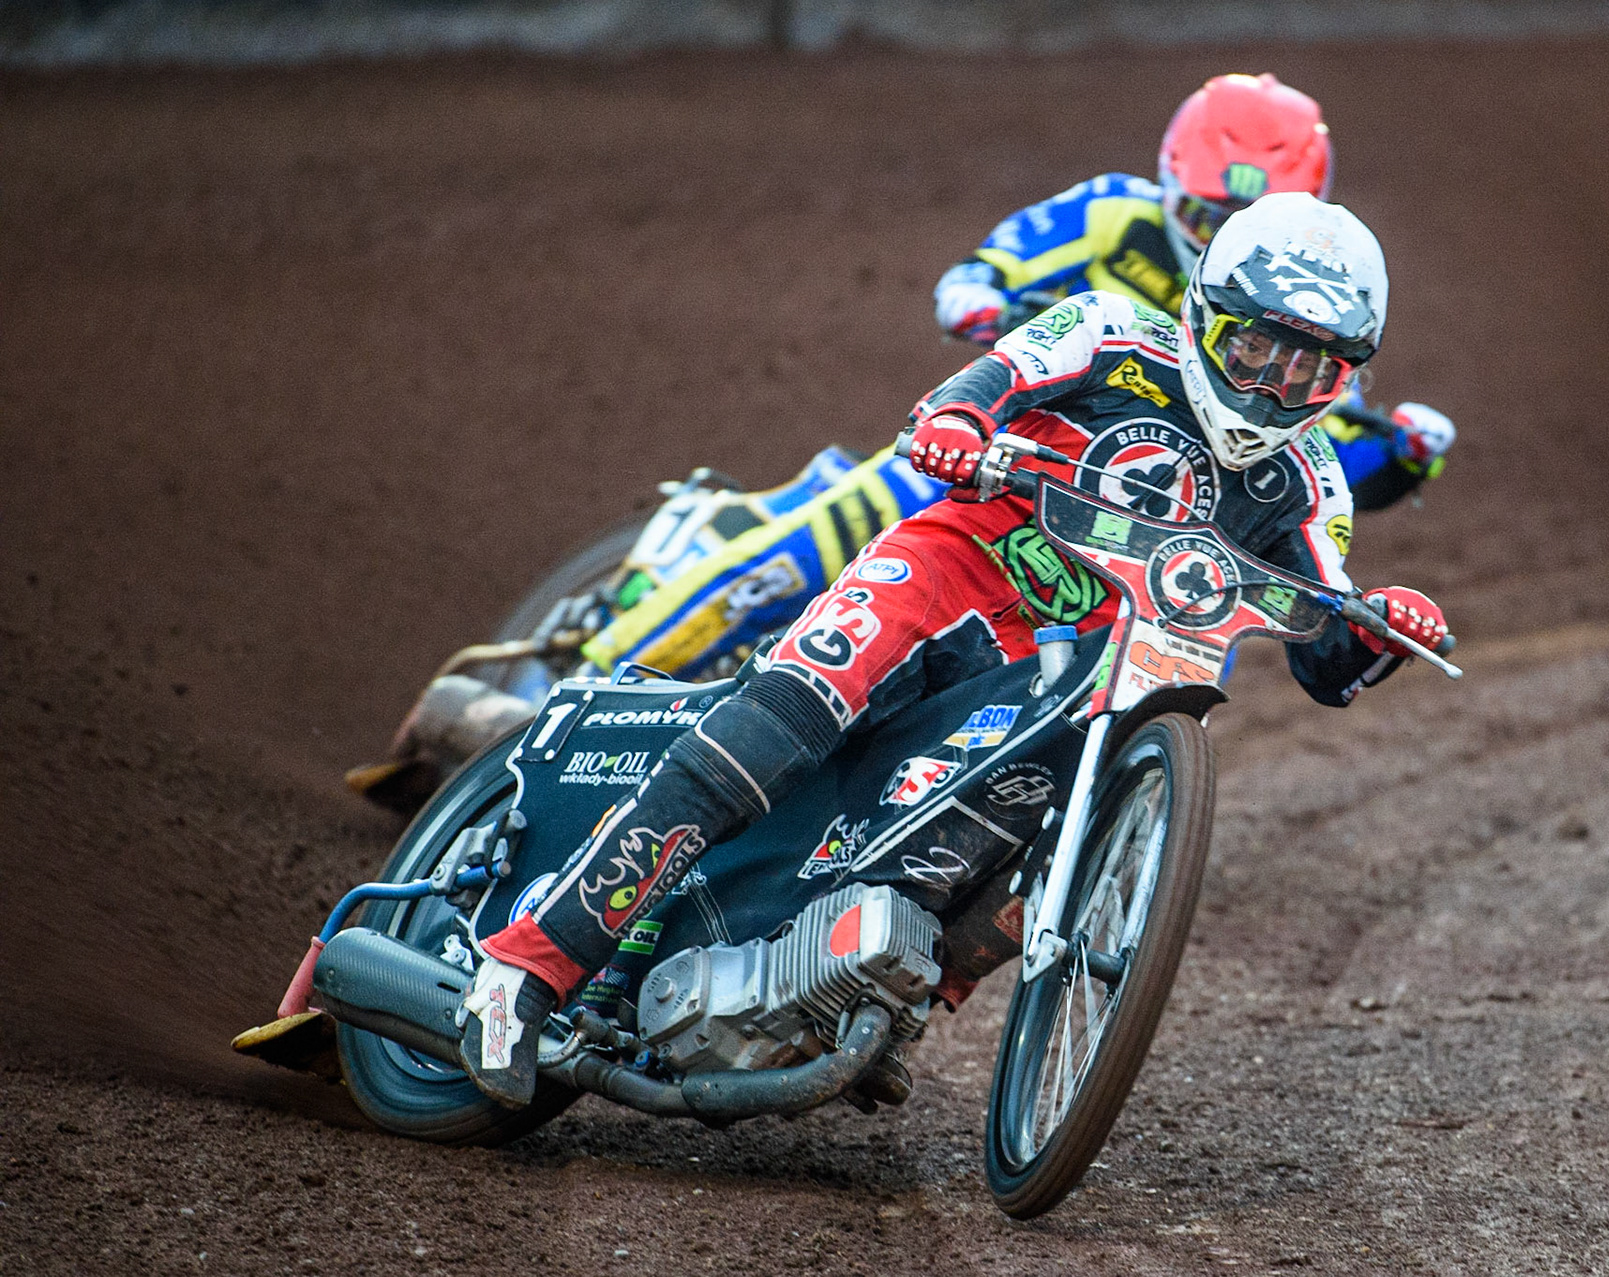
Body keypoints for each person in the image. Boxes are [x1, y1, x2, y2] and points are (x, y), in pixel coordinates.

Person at [458, 192, 1452, 1107]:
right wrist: (956, 424)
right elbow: (982, 386)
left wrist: (1380, 629)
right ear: (1205, 313)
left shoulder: (1311, 482)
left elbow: (1326, 654)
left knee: (1050, 831)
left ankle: (881, 996)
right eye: (1257, 349)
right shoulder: (1111, 330)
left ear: (1346, 376)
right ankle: (524, 966)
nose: (1275, 385)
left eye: (1310, 368)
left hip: (1052, 668)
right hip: (944, 577)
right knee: (774, 728)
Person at [933, 72, 1455, 512]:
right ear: (1169, 179)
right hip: (1035, 430)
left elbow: (1323, 467)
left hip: (1174, 495)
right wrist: (980, 304)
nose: (1216, 238)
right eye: (1204, 216)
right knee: (900, 488)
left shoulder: (1311, 312)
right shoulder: (1111, 208)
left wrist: (1403, 458)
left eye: (1242, 224)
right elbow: (979, 275)